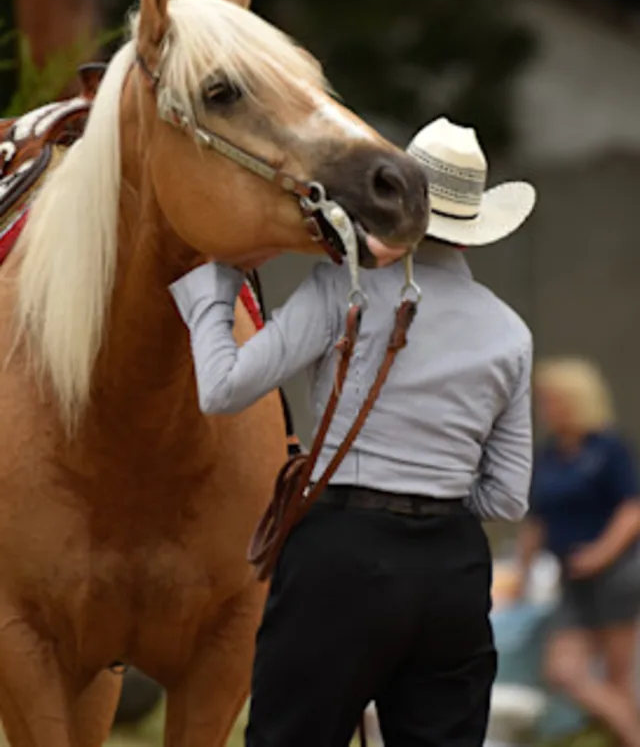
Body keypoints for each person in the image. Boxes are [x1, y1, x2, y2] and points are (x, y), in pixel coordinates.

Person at [169, 116, 536, 747]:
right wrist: (433, 500)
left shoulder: (343, 288)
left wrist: (215, 282)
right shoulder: (511, 334)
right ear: (473, 235)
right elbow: (507, 498)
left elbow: (223, 388)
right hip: (453, 564)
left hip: (342, 554)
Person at [517, 358, 640, 747]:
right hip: (570, 579)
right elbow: (536, 521)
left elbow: (631, 509)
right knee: (563, 670)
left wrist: (601, 553)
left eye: (552, 401)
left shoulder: (607, 450)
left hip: (615, 574)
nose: (546, 410)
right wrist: (521, 572)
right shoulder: (550, 456)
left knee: (618, 677)